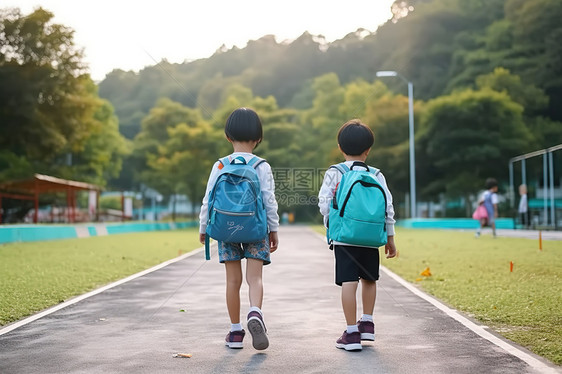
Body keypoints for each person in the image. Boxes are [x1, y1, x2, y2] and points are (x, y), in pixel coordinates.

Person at [199, 107, 279, 350]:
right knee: (254, 278)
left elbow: (208, 198)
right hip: (256, 228)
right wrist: (273, 229)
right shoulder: (262, 166)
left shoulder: (220, 165)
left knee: (232, 281)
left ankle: (235, 332)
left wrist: (204, 227)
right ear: (258, 138)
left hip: (225, 229)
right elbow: (269, 200)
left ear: (228, 136)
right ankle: (255, 313)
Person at [318, 120, 397, 351]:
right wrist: (390, 238)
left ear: (341, 148)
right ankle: (368, 324)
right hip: (371, 238)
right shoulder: (377, 174)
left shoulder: (336, 172)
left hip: (345, 237)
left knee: (349, 283)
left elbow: (324, 205)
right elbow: (388, 208)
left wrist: (331, 222)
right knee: (370, 279)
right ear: (368, 149)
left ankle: (351, 333)